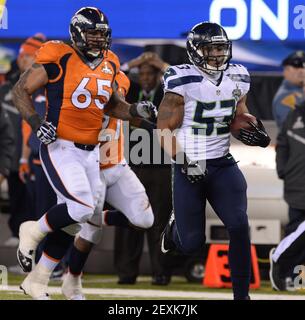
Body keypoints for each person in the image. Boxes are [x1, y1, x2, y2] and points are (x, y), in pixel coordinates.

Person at [12, 7, 156, 300]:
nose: (97, 39)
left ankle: (37, 281)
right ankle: (32, 230)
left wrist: (135, 111)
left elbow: (113, 106)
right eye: (92, 33)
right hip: (62, 145)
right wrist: (37, 122)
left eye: (101, 34)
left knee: (78, 220)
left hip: (92, 154)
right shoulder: (58, 55)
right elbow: (20, 90)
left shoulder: (110, 63)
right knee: (79, 209)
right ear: (77, 32)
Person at [157, 22, 270, 300]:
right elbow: (162, 128)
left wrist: (254, 130)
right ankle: (174, 230)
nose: (218, 54)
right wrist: (183, 161)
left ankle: (241, 296)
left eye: (221, 47)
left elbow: (238, 114)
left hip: (221, 163)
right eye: (211, 49)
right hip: (188, 163)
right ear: (195, 51)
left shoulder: (238, 76)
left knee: (239, 225)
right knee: (191, 243)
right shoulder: (182, 79)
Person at [60, 70, 155, 300]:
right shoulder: (72, 79)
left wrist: (154, 127)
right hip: (88, 167)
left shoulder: (120, 79)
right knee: (91, 235)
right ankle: (72, 279)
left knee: (145, 220)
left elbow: (123, 111)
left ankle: (98, 218)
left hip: (116, 164)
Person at [114, 52, 174, 286]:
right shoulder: (130, 93)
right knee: (129, 219)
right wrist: (133, 63)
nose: (146, 78)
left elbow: (182, 79)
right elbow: (114, 78)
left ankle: (161, 272)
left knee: (159, 221)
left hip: (160, 165)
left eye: (152, 74)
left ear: (159, 75)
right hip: (132, 165)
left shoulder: (167, 93)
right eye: (143, 74)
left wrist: (161, 63)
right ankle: (126, 273)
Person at [269, 83, 305, 291]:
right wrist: (284, 170)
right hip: (297, 182)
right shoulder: (294, 115)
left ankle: (289, 273)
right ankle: (285, 270)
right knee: (296, 230)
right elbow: (281, 143)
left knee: (299, 234)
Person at [272, 51, 305, 128]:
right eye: (296, 66)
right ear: (286, 71)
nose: (302, 71)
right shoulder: (284, 97)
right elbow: (296, 128)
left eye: (303, 66)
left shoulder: (301, 89)